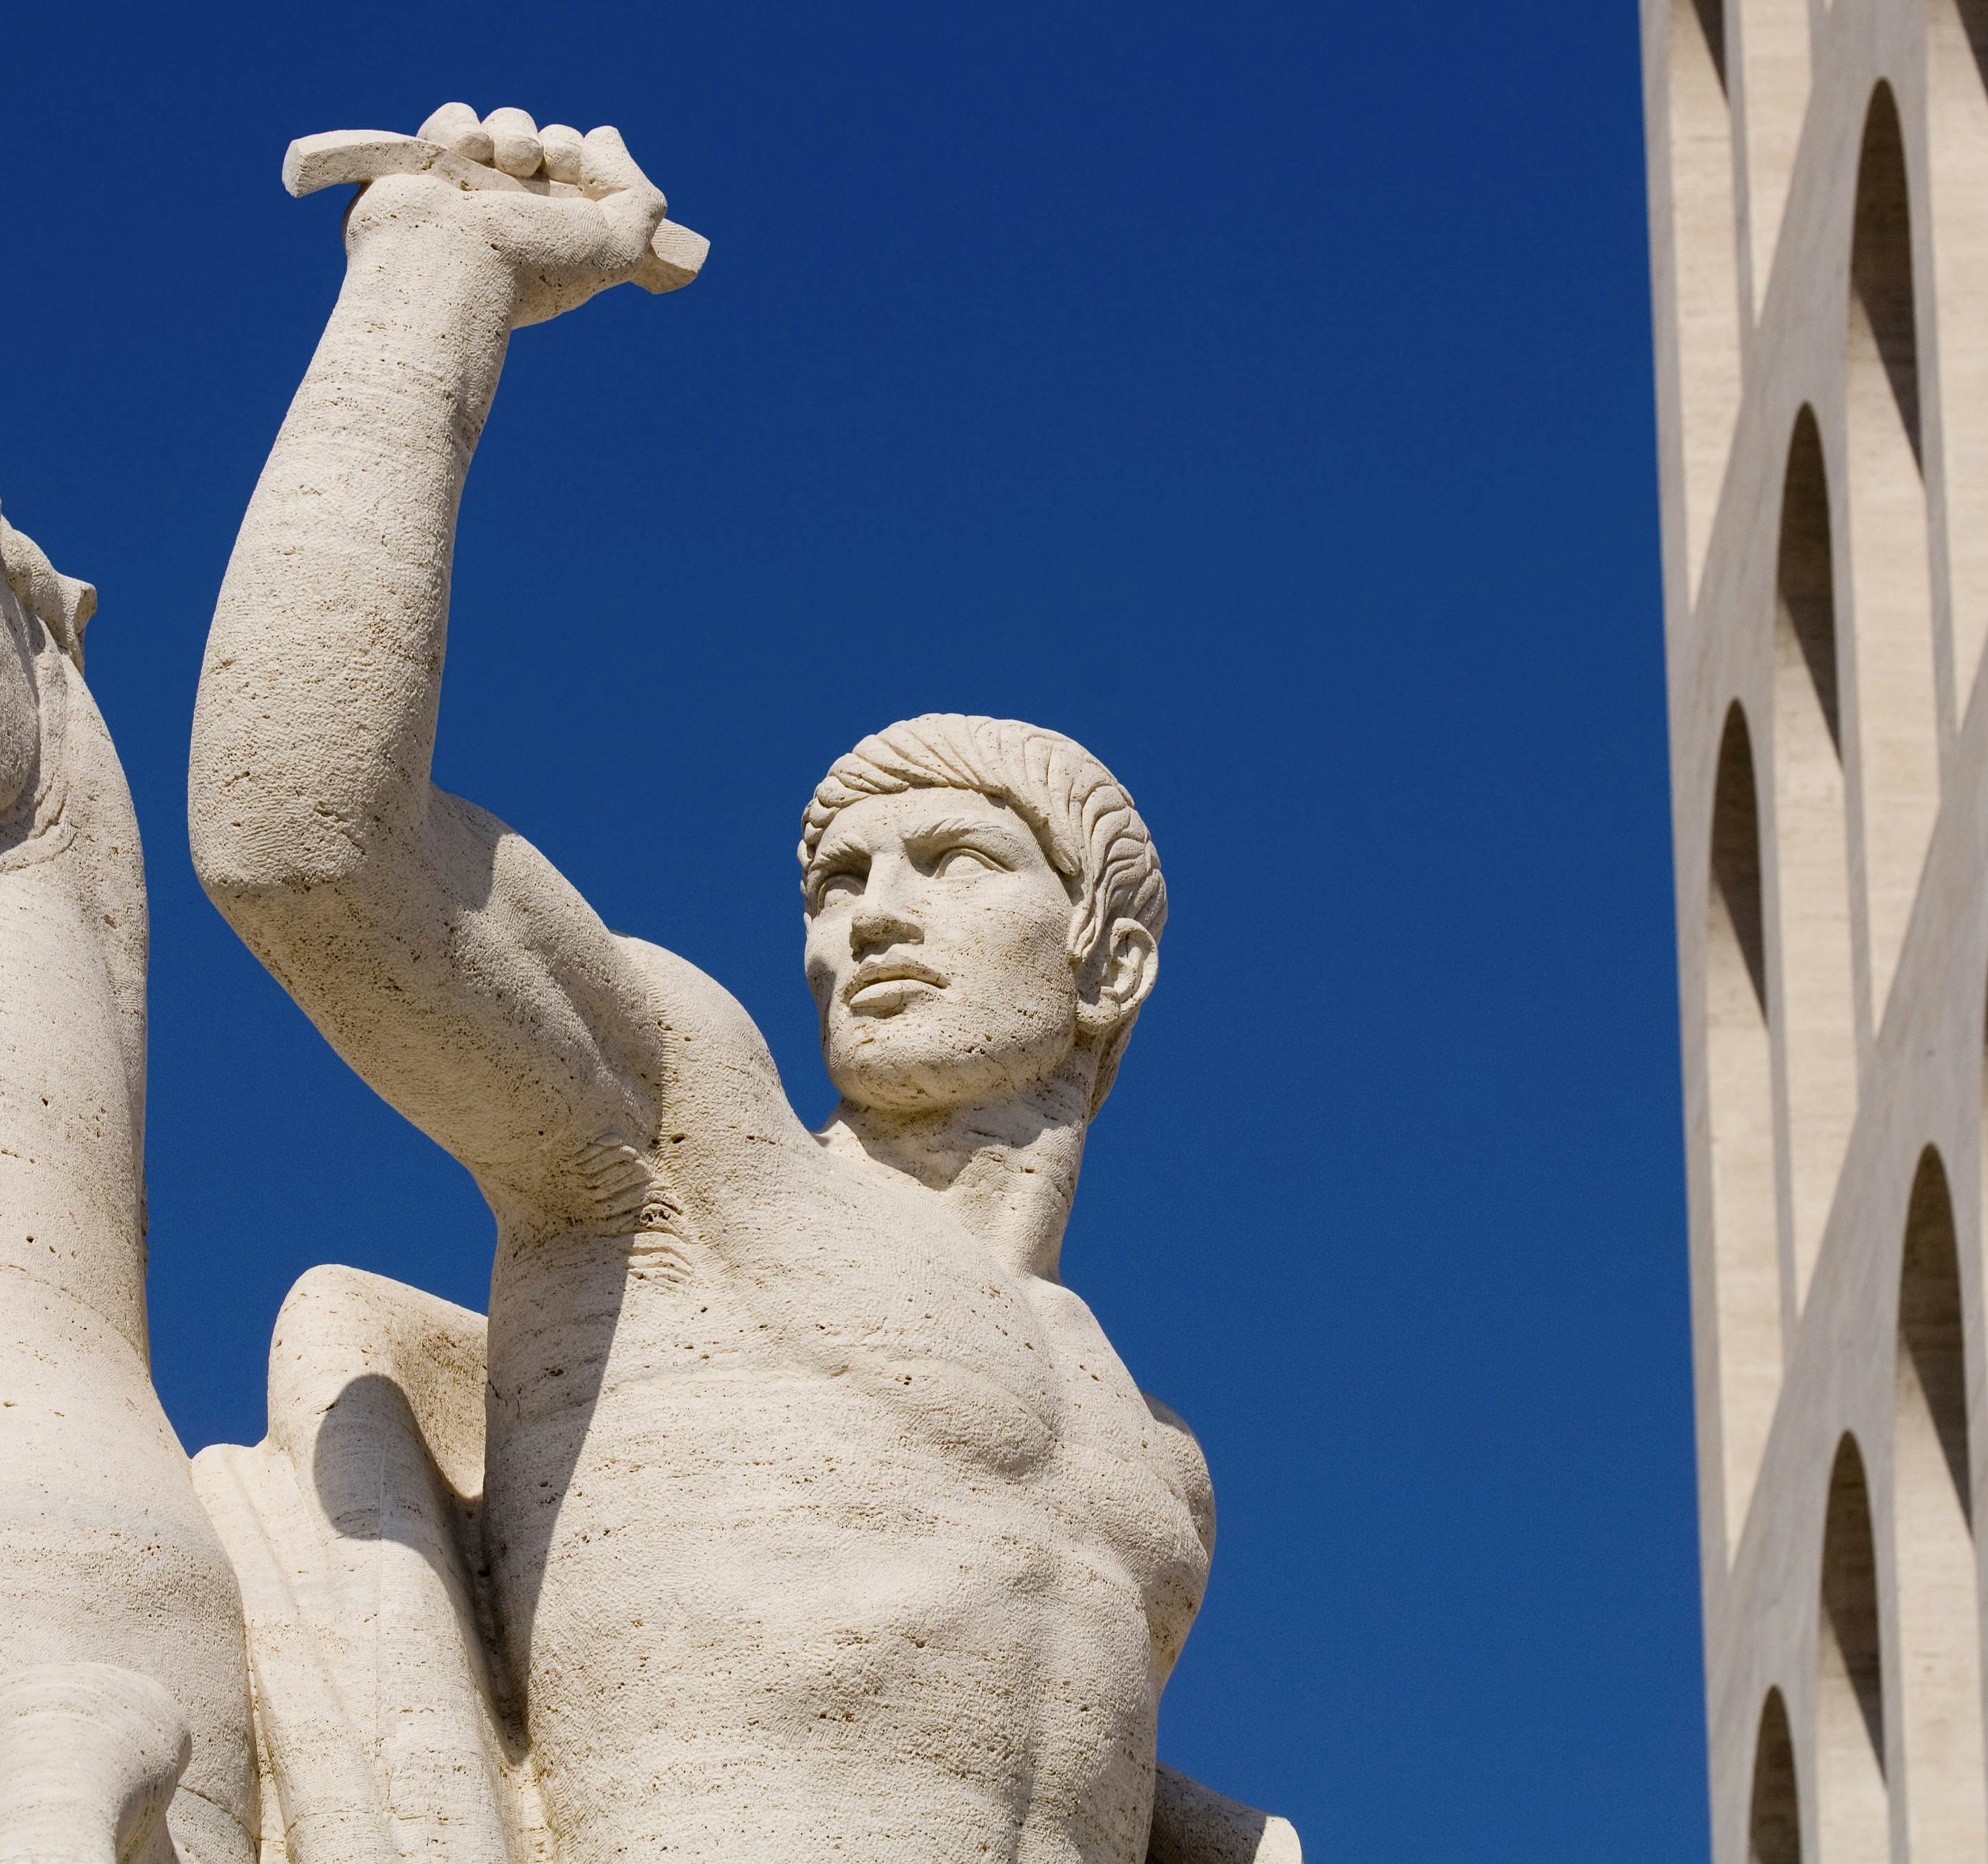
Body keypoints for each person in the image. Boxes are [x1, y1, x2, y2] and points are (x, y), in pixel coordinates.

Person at [188, 101, 1290, 1864]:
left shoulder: (1153, 1457)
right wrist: (436, 277)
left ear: (1109, 957)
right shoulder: (693, 1159)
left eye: (953, 862)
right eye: (838, 881)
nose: (868, 915)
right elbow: (303, 843)